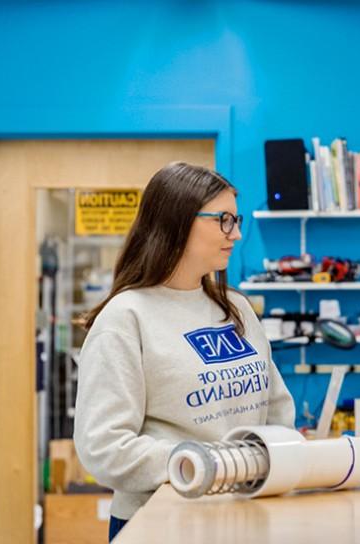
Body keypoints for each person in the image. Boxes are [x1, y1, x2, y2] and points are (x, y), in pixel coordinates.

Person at [74, 162, 295, 541]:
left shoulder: (236, 308)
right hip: (159, 522)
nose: (237, 234)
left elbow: (277, 412)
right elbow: (105, 446)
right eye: (224, 220)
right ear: (177, 221)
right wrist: (209, 464)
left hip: (244, 514)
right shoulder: (126, 318)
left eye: (236, 219)